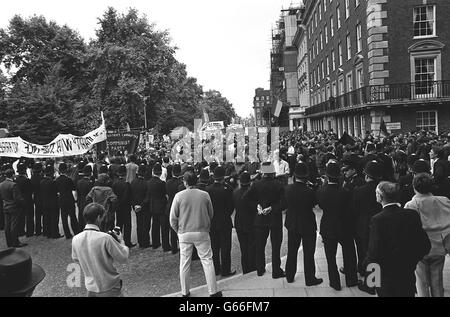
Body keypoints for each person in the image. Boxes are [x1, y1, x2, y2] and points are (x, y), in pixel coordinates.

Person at [362, 182, 430, 297]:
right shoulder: (412, 215)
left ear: (379, 196)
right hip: (407, 273)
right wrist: (411, 262)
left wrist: (370, 280)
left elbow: (374, 253)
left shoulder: (378, 220)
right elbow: (425, 245)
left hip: (386, 276)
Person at [169, 172, 222, 297]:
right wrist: (206, 225)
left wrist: (178, 231)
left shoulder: (178, 196)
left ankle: (185, 292)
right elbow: (211, 213)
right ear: (196, 181)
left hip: (184, 233)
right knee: (207, 260)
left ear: (185, 182)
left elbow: (172, 218)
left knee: (184, 263)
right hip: (202, 231)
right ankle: (213, 291)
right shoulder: (205, 195)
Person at [405, 173, 450, 297]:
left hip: (419, 248)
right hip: (439, 246)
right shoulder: (443, 200)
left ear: (414, 187)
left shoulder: (411, 205)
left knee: (421, 283)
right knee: (437, 282)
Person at [72, 203, 129, 297]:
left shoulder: (76, 239)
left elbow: (75, 258)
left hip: (91, 286)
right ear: (98, 217)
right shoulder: (105, 238)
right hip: (109, 285)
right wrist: (122, 242)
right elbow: (123, 258)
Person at [317, 161, 358, 290]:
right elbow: (351, 209)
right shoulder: (346, 192)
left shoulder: (321, 191)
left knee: (330, 256)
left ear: (327, 176)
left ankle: (334, 282)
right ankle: (351, 280)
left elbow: (321, 206)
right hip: (344, 225)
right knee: (349, 254)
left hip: (328, 225)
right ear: (339, 175)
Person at [243, 162, 286, 279]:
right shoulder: (279, 184)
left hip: (260, 218)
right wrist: (273, 208)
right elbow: (284, 202)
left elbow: (245, 198)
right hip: (275, 218)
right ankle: (276, 271)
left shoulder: (256, 184)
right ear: (272, 172)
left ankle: (260, 269)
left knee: (260, 246)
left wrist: (256, 205)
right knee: (276, 246)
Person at [284, 162, 322, 286]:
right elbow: (314, 204)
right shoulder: (309, 191)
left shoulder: (288, 189)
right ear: (306, 176)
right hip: (307, 223)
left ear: (294, 175)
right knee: (309, 252)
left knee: (292, 251)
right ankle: (310, 278)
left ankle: (289, 275)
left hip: (292, 222)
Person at [206, 166, 236, 277]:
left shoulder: (208, 189)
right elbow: (231, 206)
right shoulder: (228, 189)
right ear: (223, 176)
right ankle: (226, 269)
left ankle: (216, 268)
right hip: (224, 220)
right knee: (225, 247)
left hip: (212, 221)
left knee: (214, 246)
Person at [233, 172, 257, 274]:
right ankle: (252, 267)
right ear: (249, 182)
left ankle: (245, 268)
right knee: (252, 246)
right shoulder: (252, 194)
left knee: (243, 247)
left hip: (239, 221)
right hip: (251, 222)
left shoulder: (235, 193)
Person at [0, 167, 26, 248]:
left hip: (6, 206)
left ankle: (9, 242)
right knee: (14, 225)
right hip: (14, 207)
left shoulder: (1, 184)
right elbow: (17, 198)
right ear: (13, 175)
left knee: (7, 225)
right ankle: (15, 242)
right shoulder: (13, 185)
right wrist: (23, 202)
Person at [145, 163, 168, 250]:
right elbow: (164, 194)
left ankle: (155, 243)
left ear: (153, 172)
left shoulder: (148, 183)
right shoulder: (162, 183)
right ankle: (165, 245)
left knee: (155, 225)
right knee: (164, 227)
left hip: (153, 205)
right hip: (161, 205)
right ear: (160, 172)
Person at [112, 165, 135, 248]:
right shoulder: (127, 184)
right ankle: (127, 241)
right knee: (127, 224)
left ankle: (118, 240)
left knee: (118, 224)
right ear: (125, 174)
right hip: (125, 206)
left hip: (118, 207)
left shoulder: (114, 184)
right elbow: (128, 196)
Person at [56, 163, 80, 239]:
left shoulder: (57, 180)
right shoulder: (68, 179)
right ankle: (76, 231)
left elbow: (56, 190)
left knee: (64, 217)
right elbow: (73, 188)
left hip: (61, 199)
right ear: (66, 170)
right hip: (69, 198)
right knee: (72, 216)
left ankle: (67, 234)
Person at [165, 163, 183, 254]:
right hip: (179, 206)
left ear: (172, 172)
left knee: (172, 227)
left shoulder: (168, 182)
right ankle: (181, 245)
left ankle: (174, 248)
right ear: (180, 172)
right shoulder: (181, 183)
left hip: (170, 204)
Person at [131, 164, 150, 249]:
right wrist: (141, 205)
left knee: (139, 223)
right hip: (144, 206)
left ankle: (140, 241)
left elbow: (131, 195)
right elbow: (147, 196)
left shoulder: (133, 182)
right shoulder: (146, 183)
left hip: (136, 206)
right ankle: (145, 241)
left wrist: (134, 205)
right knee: (145, 224)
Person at [40, 165, 62, 239]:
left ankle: (47, 233)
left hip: (45, 202)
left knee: (46, 218)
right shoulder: (53, 182)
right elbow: (57, 191)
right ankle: (55, 233)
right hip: (53, 202)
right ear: (52, 173)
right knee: (54, 218)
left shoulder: (42, 181)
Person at [15, 163, 34, 237]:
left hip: (19, 200)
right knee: (29, 216)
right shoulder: (27, 180)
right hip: (28, 200)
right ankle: (30, 232)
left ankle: (21, 231)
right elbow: (31, 190)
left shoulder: (16, 180)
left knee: (21, 216)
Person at [76, 165, 94, 230]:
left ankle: (80, 229)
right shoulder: (90, 183)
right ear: (90, 173)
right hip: (88, 202)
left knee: (81, 217)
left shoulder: (79, 182)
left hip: (80, 201)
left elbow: (78, 194)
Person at [31, 163, 43, 236]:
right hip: (41, 197)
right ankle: (45, 229)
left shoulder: (32, 177)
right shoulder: (40, 177)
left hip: (36, 197)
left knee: (37, 214)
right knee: (44, 213)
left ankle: (37, 230)